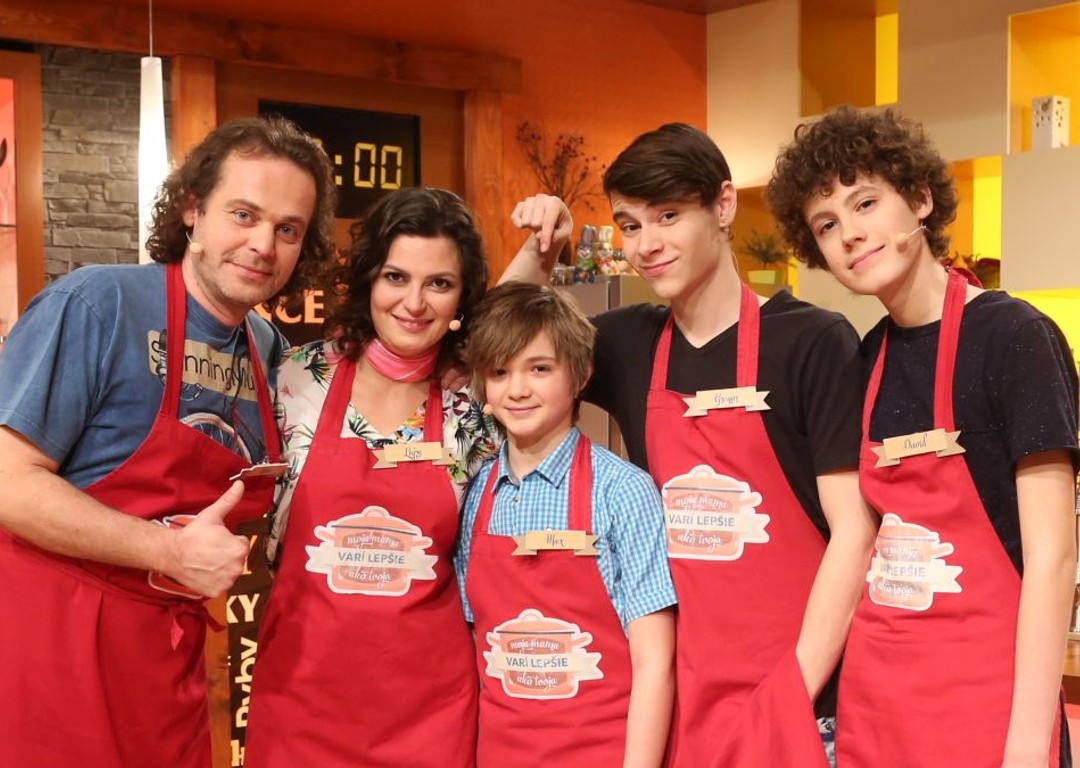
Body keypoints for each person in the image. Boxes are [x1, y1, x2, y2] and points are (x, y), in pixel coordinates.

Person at [0, 115, 337, 768]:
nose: (263, 244)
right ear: (192, 208)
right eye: (244, 214)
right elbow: (8, 480)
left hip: (168, 662)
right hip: (51, 653)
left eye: (287, 229)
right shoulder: (98, 305)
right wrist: (169, 550)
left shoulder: (265, 347)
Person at [766, 105, 1079, 768]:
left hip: (990, 705)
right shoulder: (866, 358)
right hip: (877, 707)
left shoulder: (1014, 337)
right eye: (827, 224)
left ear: (920, 199)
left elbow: (1052, 560)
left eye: (865, 203)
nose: (850, 234)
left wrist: (1027, 747)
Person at [561, 123, 878, 767]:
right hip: (682, 704)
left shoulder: (811, 341)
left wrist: (792, 693)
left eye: (668, 216)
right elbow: (495, 355)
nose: (646, 245)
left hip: (802, 704)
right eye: (629, 225)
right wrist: (539, 253)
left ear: (724, 205)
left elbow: (854, 531)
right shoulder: (626, 344)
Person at [242, 188, 572, 768]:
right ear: (369, 278)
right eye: (396, 277)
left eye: (439, 284)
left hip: (430, 720)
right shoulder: (295, 378)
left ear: (463, 296)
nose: (414, 303)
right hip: (299, 708)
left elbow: (513, 320)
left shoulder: (472, 402)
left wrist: (546, 241)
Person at [456, 280, 677, 768]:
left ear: (580, 374)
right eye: (499, 371)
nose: (517, 389)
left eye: (539, 369)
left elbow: (654, 661)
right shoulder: (475, 494)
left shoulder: (623, 491)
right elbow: (475, 647)